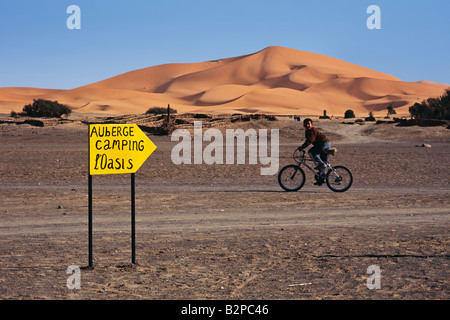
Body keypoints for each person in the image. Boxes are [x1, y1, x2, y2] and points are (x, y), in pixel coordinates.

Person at [297, 118, 332, 184]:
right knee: (323, 162)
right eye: (305, 124)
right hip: (325, 144)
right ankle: (322, 179)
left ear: (312, 124)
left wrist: (302, 147)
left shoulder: (312, 130)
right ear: (303, 125)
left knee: (311, 152)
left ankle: (321, 165)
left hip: (324, 144)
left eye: (308, 124)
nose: (307, 125)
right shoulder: (308, 131)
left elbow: (310, 140)